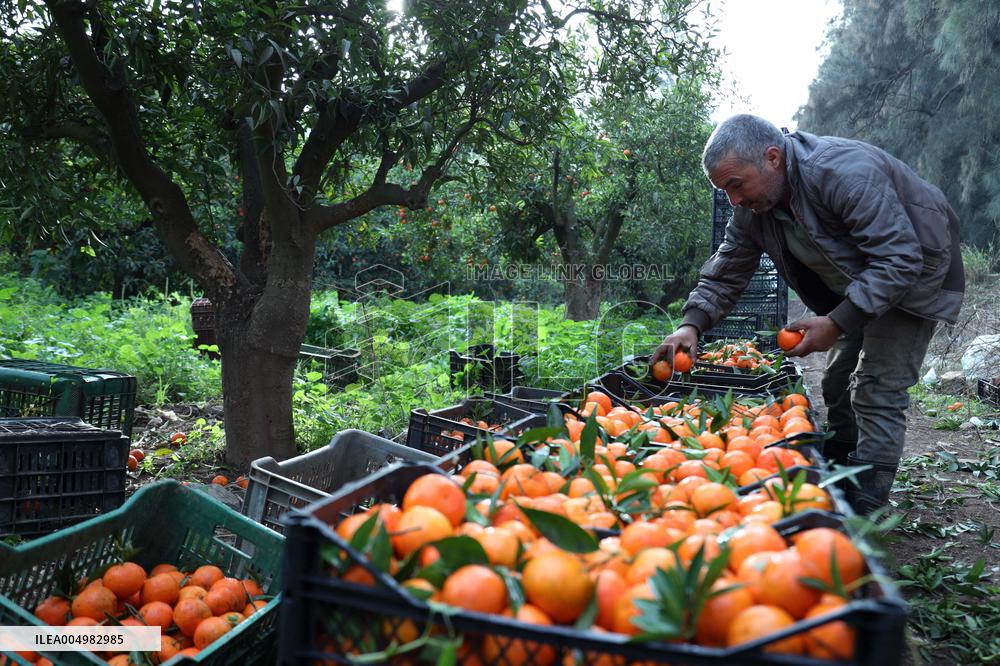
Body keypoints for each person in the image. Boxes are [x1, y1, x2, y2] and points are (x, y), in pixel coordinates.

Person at [652, 114, 965, 514]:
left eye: (735, 185)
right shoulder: (753, 207)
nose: (734, 200)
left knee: (877, 388)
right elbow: (728, 267)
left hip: (915, 274)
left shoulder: (842, 173)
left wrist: (836, 322)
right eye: (724, 190)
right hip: (854, 284)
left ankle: (868, 502)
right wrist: (690, 325)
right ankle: (839, 472)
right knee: (836, 381)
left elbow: (899, 258)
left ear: (772, 158)